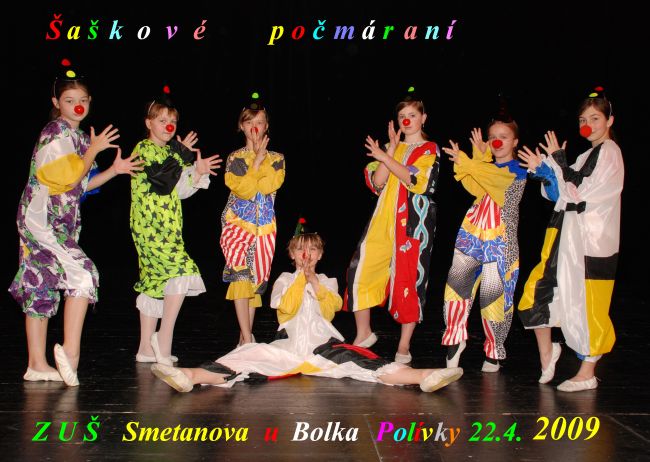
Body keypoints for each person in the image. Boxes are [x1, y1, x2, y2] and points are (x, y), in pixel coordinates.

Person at [151, 231, 463, 392]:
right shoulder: (284, 280)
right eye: (301, 249)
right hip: (286, 347)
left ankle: (425, 376)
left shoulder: (327, 281)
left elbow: (331, 309)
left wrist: (314, 280)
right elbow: (285, 309)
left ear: (320, 254)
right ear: (291, 254)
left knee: (366, 363)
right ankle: (188, 376)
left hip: (323, 348)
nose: (306, 254)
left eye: (313, 249)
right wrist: (301, 278)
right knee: (243, 356)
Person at [9, 59, 142, 386]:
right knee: (83, 275)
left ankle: (36, 364)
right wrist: (93, 151)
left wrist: (114, 170)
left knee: (40, 283)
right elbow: (67, 178)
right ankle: (71, 355)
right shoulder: (55, 132)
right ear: (56, 102)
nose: (78, 105)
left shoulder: (79, 137)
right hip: (41, 220)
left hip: (54, 222)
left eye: (83, 99)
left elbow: (81, 184)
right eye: (70, 100)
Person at [517, 87, 623, 392]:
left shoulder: (610, 153)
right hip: (566, 240)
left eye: (595, 118)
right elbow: (561, 193)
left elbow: (579, 189)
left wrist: (558, 162)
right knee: (536, 294)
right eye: (582, 119)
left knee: (590, 307)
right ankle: (547, 355)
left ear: (609, 120)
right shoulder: (587, 155)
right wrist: (545, 170)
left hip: (591, 244)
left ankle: (587, 372)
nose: (587, 125)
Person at [344, 87, 440, 363]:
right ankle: (364, 333)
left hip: (412, 224)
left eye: (412, 115)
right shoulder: (391, 148)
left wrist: (387, 156)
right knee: (360, 270)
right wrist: (391, 150)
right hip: (383, 220)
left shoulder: (429, 149)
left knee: (409, 279)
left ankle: (404, 346)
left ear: (423, 118)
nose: (406, 120)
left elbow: (415, 181)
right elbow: (377, 183)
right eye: (401, 116)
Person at [130, 85, 222, 366]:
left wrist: (197, 172)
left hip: (168, 226)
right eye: (162, 120)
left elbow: (178, 189)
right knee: (183, 271)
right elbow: (160, 180)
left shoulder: (170, 152)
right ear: (149, 123)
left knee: (155, 282)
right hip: (151, 228)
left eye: (172, 121)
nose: (169, 126)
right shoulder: (144, 148)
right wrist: (181, 154)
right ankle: (163, 339)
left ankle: (146, 348)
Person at [440, 110, 527, 373]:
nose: (497, 142)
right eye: (492, 137)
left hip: (500, 243)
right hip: (472, 235)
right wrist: (477, 158)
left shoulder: (517, 171)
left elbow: (493, 182)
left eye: (504, 137)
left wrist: (472, 160)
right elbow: (474, 186)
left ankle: (493, 350)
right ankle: (455, 340)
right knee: (456, 288)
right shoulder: (487, 166)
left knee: (494, 298)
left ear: (515, 142)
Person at [220, 92, 285, 346]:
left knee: (255, 282)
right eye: (249, 122)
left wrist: (261, 160)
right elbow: (244, 190)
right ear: (241, 126)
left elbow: (268, 186)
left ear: (266, 126)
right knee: (240, 276)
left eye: (259, 122)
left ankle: (243, 338)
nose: (254, 127)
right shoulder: (235, 158)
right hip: (236, 225)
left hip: (265, 229)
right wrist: (255, 163)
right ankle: (247, 339)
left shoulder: (277, 159)